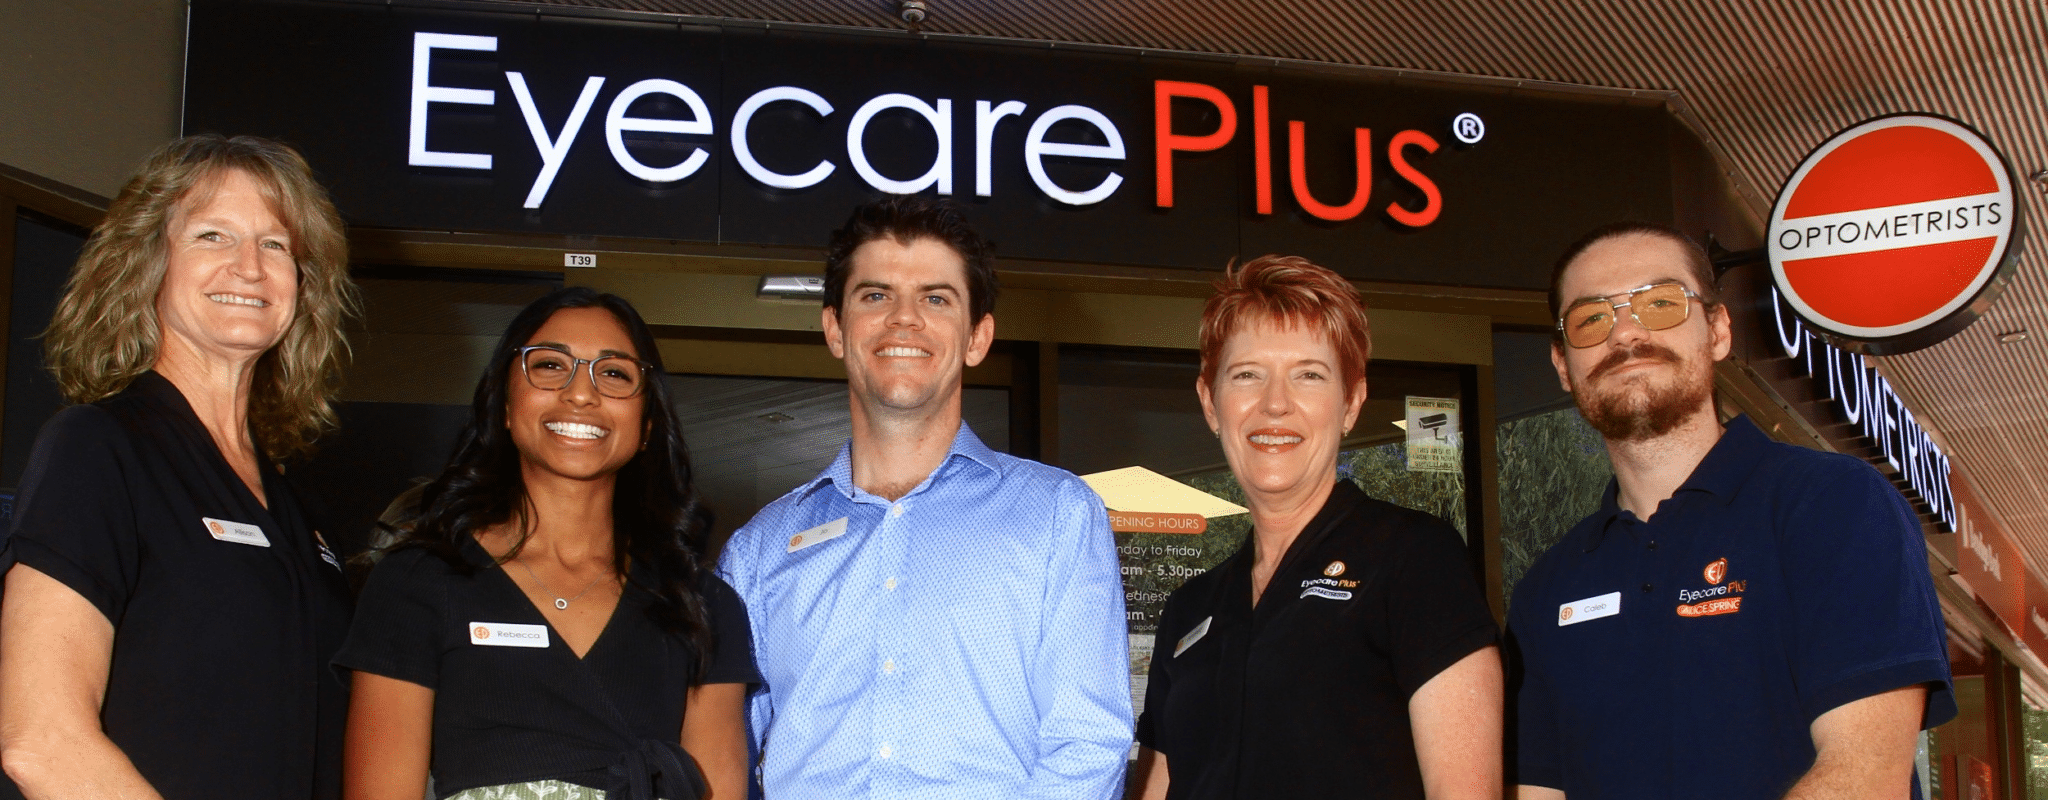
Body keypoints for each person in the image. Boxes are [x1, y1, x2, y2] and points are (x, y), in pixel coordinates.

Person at [1507, 222, 1956, 800]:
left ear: (1718, 331)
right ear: (1563, 364)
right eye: (1591, 318)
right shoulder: (1547, 589)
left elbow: (1865, 776)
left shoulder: (1834, 504)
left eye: (1660, 303)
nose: (1626, 332)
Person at [717, 195, 1133, 799]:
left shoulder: (1058, 516)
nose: (904, 319)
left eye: (936, 299)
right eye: (875, 295)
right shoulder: (758, 551)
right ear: (835, 329)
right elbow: (724, 758)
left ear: (978, 337)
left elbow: (1087, 741)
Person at [0, 134, 358, 799]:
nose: (249, 267)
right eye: (212, 236)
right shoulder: (97, 448)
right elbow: (43, 742)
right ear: (148, 265)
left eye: (275, 244)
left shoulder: (300, 510)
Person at [336, 287, 754, 800]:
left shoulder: (704, 605)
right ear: (505, 405)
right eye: (551, 365)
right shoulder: (415, 582)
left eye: (614, 373)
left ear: (647, 425)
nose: (581, 393)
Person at [1126, 255, 1502, 800]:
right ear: (1210, 403)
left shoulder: (1414, 559)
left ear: (1351, 403)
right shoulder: (1191, 607)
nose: (1275, 404)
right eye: (1247, 374)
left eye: (1309, 375)